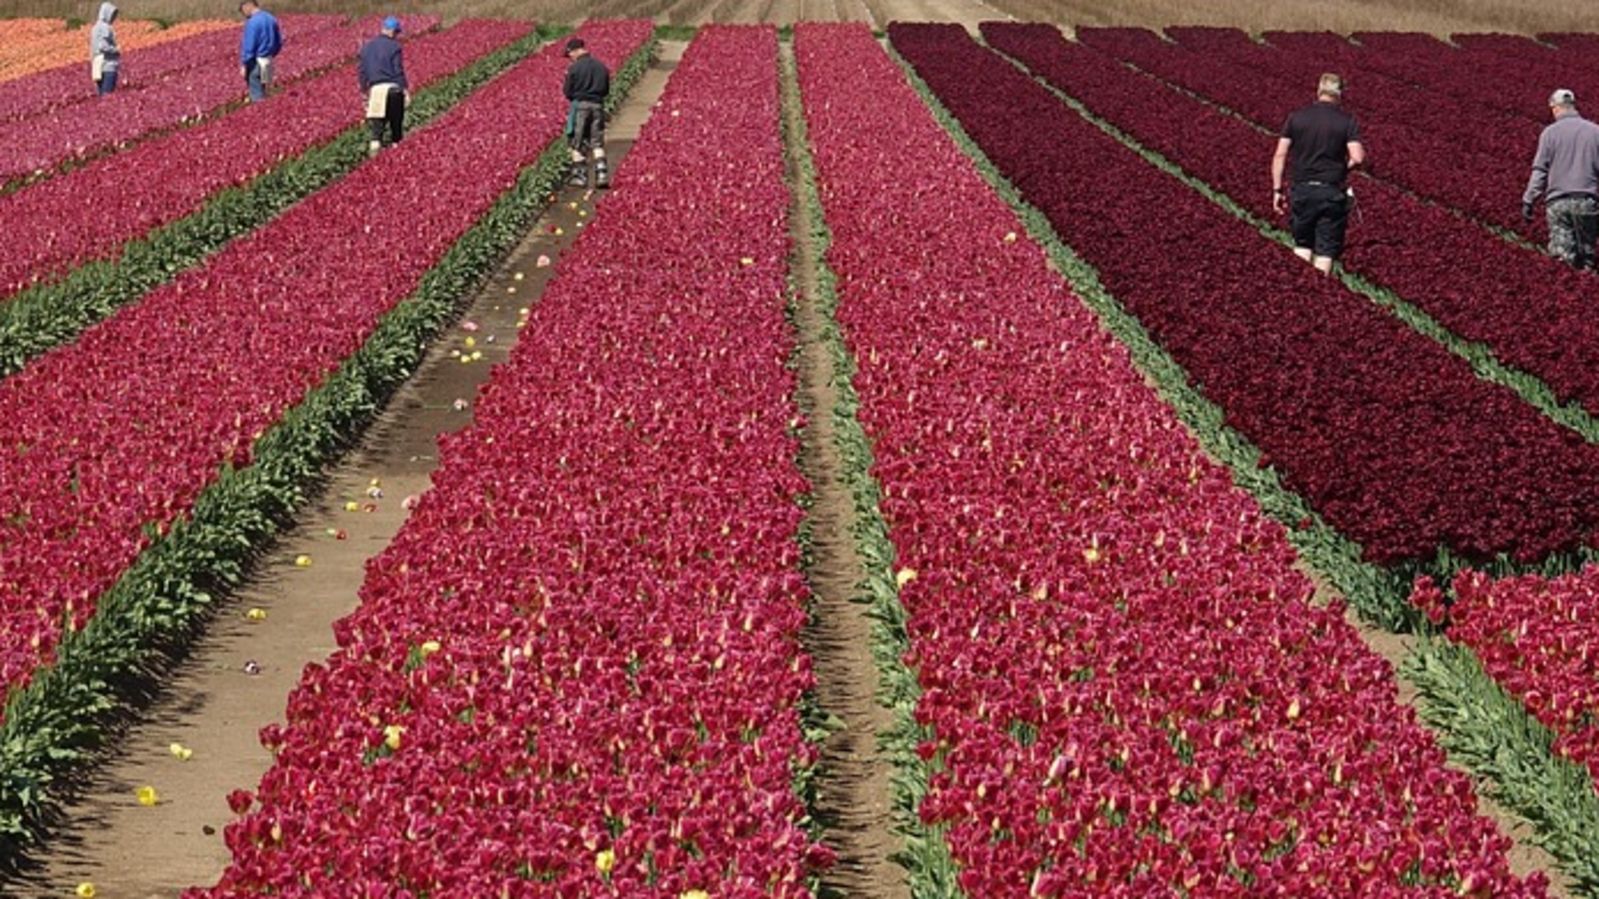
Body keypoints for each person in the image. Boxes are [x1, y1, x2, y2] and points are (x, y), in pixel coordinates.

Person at [1271, 73, 1367, 275]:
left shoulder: (1297, 118)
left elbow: (1280, 155)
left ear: (1319, 90)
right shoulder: (1346, 121)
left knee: (1302, 244)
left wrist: (1277, 189)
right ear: (1340, 94)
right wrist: (1342, 169)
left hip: (1303, 189)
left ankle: (1300, 288)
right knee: (1325, 249)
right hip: (1331, 191)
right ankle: (1320, 291)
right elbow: (1358, 157)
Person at [1523, 89, 1599, 270]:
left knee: (1562, 257)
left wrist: (1529, 198)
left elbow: (1540, 170)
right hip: (1587, 200)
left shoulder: (1549, 134)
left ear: (1555, 108)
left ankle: (1566, 283)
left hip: (1558, 202)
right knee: (1586, 253)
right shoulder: (1595, 132)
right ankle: (1586, 287)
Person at [562, 38, 610, 189]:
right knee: (597, 141)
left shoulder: (575, 68)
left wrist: (576, 96)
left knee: (577, 141)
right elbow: (606, 89)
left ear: (575, 51)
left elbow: (567, 91)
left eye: (569, 54)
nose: (570, 57)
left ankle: (580, 176)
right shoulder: (601, 66)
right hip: (598, 106)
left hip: (581, 106)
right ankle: (602, 174)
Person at [358, 16, 408, 156]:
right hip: (393, 90)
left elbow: (362, 72)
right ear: (393, 31)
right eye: (397, 32)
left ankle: (374, 156)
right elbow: (398, 70)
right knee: (396, 127)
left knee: (377, 129)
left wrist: (363, 91)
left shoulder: (366, 48)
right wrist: (405, 89)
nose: (397, 35)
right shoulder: (395, 46)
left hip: (376, 90)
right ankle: (397, 154)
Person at [239, 1, 282, 103]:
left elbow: (249, 46)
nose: (244, 14)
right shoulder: (271, 18)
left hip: (256, 62)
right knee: (264, 90)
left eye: (242, 10)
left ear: (247, 6)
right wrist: (272, 54)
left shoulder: (253, 22)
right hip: (268, 60)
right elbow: (279, 41)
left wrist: (244, 64)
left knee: (257, 93)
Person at [89, 2, 121, 96]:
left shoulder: (95, 27)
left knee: (101, 95)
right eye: (112, 15)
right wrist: (116, 50)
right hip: (108, 66)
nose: (113, 18)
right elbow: (103, 46)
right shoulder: (105, 27)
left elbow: (94, 47)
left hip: (98, 65)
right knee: (108, 95)